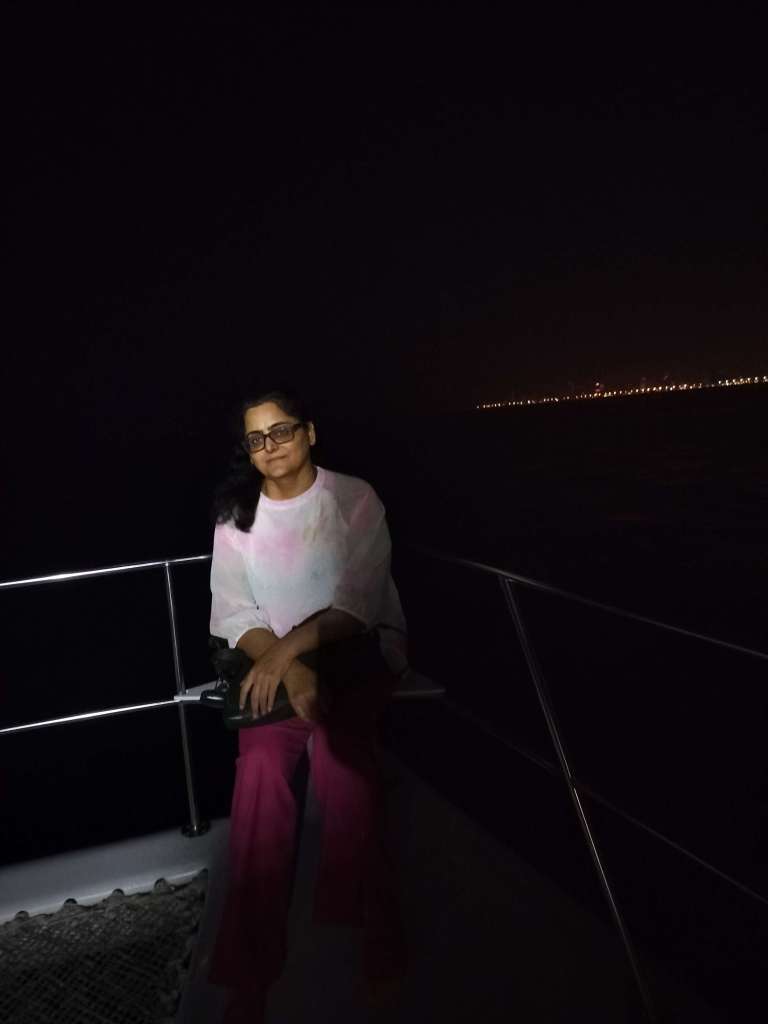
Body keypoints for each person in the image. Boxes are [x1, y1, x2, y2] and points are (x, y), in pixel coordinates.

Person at [207, 388, 409, 1022]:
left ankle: (376, 944)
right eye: (256, 439)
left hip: (352, 657)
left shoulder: (353, 499)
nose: (271, 447)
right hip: (278, 665)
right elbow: (235, 611)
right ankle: (250, 973)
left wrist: (285, 660)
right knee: (258, 783)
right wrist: (285, 668)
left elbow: (356, 603)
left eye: (283, 431)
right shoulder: (235, 517)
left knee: (344, 778)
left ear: (311, 431)